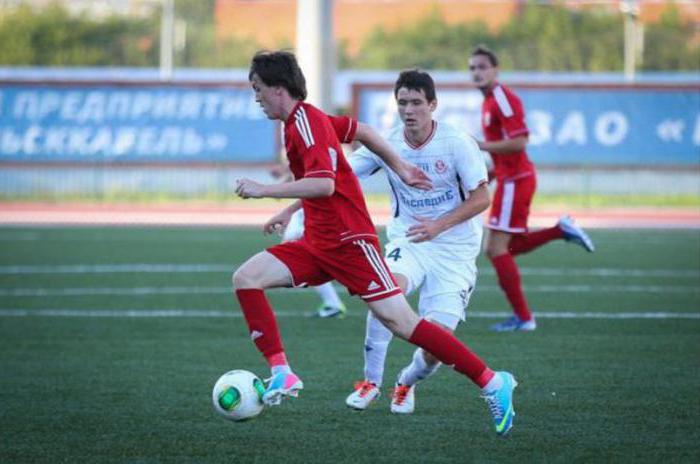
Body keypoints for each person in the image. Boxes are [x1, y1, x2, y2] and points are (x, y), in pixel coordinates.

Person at [233, 50, 518, 435]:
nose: (256, 97)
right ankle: (282, 372)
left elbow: (325, 183)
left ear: (279, 89)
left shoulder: (307, 125)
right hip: (319, 243)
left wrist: (265, 190)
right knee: (247, 278)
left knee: (401, 321)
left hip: (350, 243)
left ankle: (492, 381)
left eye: (258, 89)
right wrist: (399, 165)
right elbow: (364, 132)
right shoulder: (303, 120)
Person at [343, 69, 491, 415]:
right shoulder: (387, 143)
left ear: (433, 105)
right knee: (386, 290)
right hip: (409, 240)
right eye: (402, 103)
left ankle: (406, 382)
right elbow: (340, 177)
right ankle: (370, 382)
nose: (408, 110)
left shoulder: (457, 143)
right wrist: (293, 204)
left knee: (436, 347)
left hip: (455, 252)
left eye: (416, 103)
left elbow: (481, 198)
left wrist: (439, 226)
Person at [469, 45, 595, 333]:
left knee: (496, 248)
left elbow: (520, 141)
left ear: (495, 70)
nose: (476, 72)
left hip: (517, 180)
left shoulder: (501, 98)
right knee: (505, 247)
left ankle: (525, 318)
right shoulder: (488, 101)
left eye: (481, 67)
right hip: (511, 179)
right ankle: (559, 231)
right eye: (472, 68)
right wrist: (488, 175)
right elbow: (506, 151)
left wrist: (480, 146)